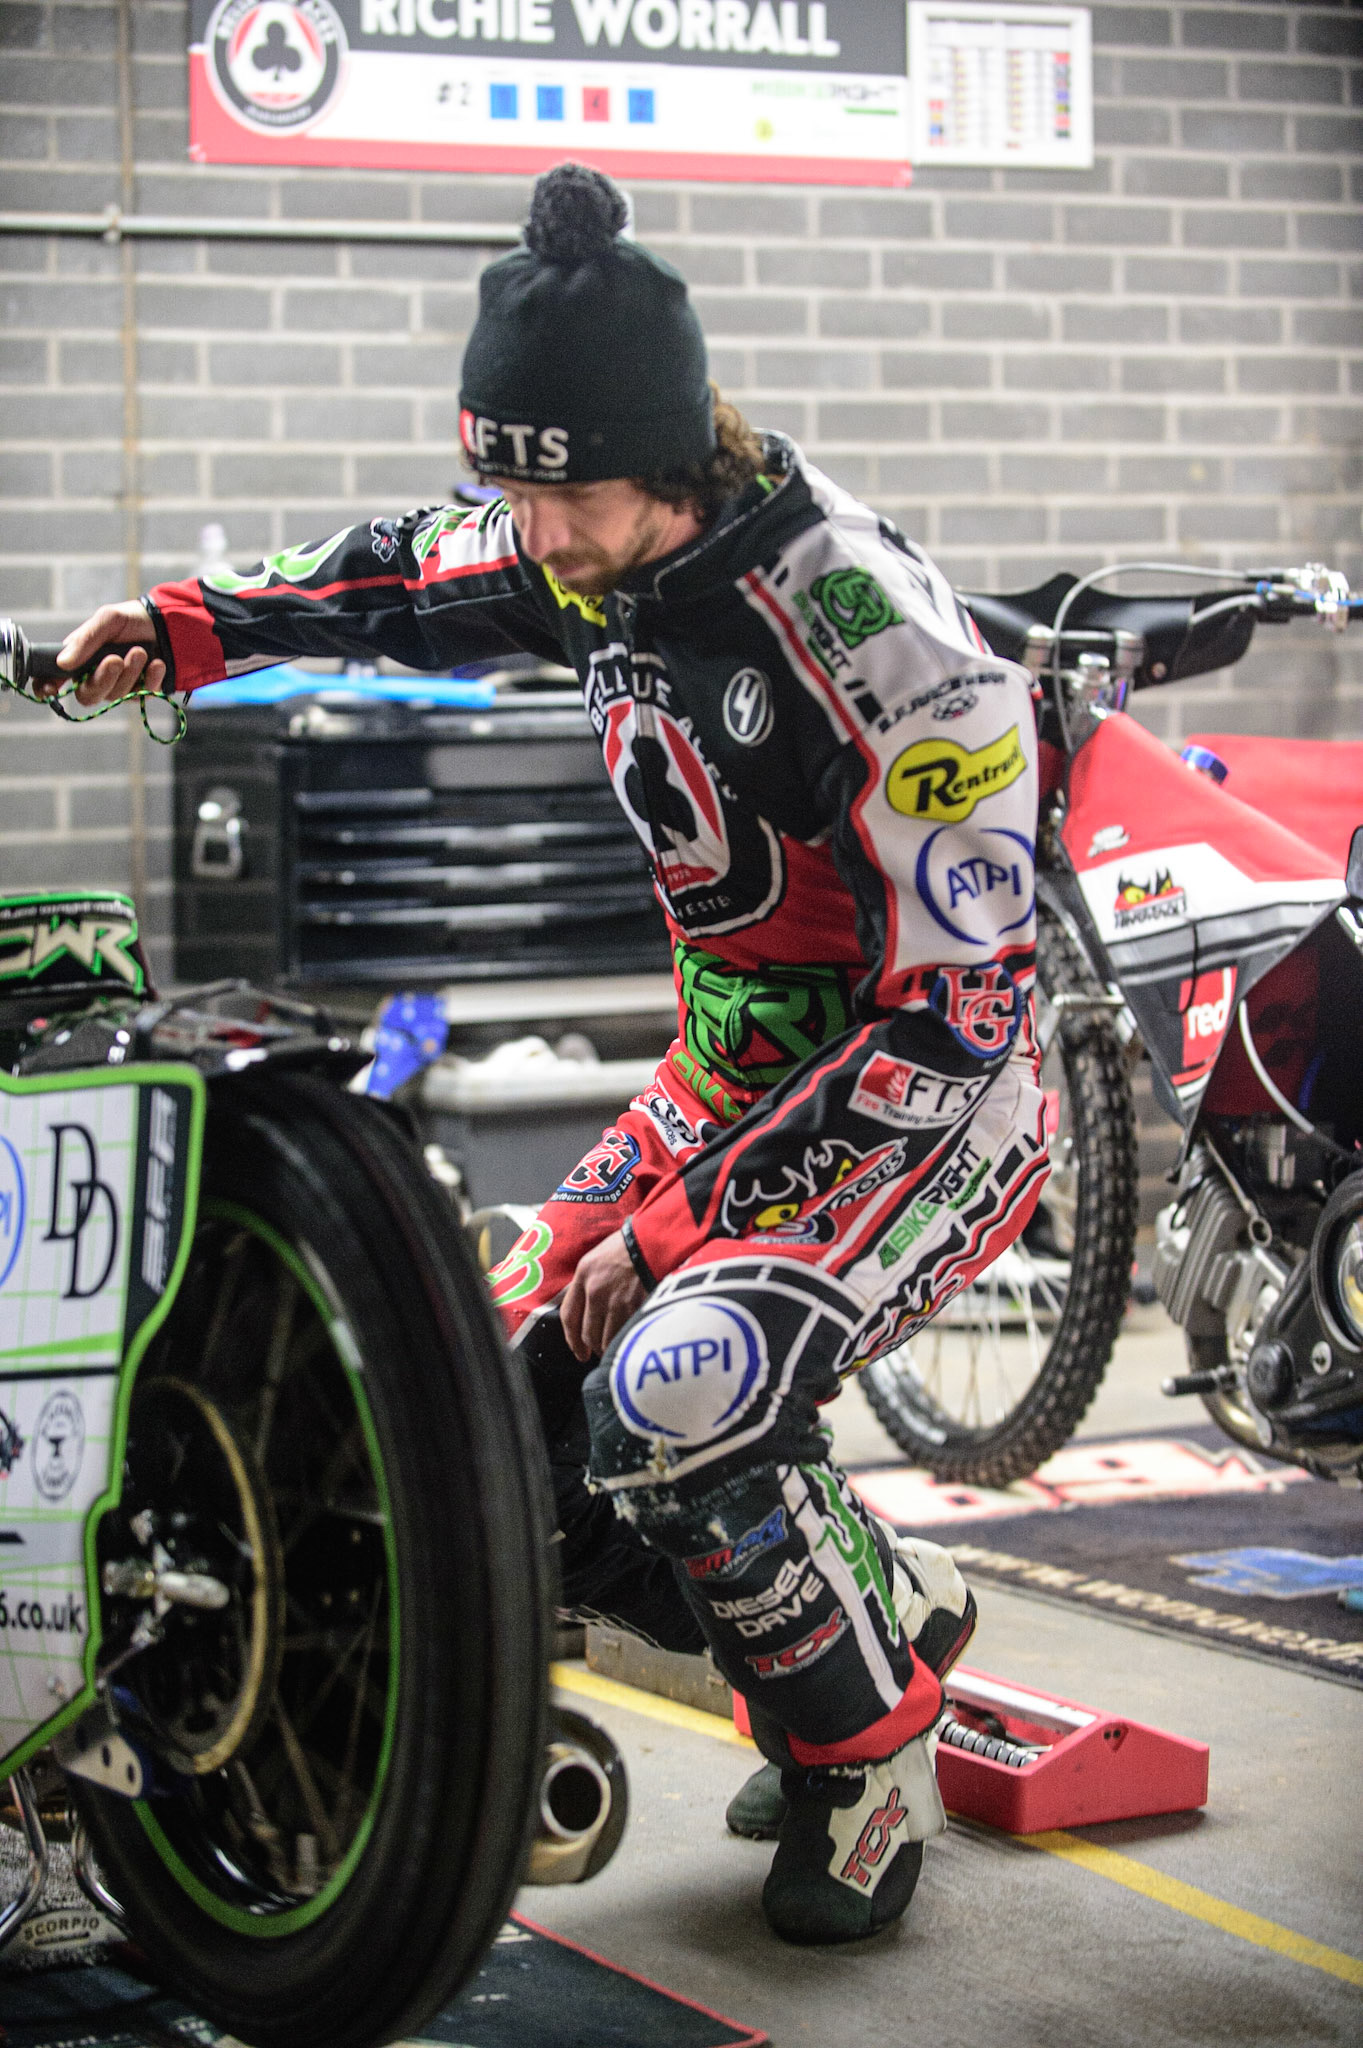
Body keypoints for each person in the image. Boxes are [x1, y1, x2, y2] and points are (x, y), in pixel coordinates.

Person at [58, 163, 1048, 1945]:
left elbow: (953, 1020)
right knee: (503, 1405)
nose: (527, 531)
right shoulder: (576, 532)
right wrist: (183, 627)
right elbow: (392, 574)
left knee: (674, 1390)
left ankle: (868, 1755)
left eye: (560, 492)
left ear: (670, 463)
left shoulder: (879, 643)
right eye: (504, 480)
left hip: (936, 1105)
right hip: (733, 1076)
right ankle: (885, 1600)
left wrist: (665, 1236)